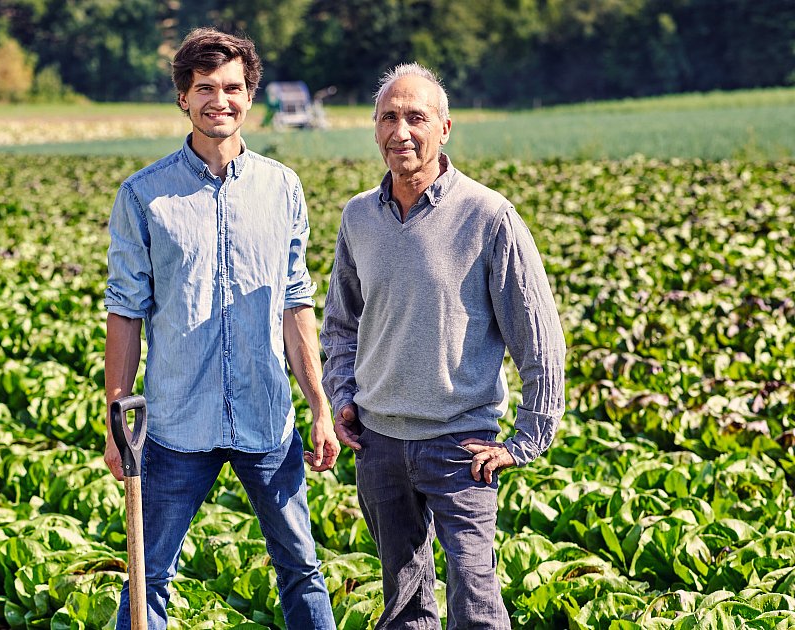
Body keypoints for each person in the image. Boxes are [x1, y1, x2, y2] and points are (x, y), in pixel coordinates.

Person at [102, 27, 339, 630]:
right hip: (176, 423)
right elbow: (125, 312)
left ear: (250, 96)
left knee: (301, 567)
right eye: (205, 87)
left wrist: (319, 406)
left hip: (266, 416)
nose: (219, 100)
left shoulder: (281, 187)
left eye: (232, 87)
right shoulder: (144, 196)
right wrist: (117, 422)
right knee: (149, 575)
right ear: (183, 97)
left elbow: (295, 302)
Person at [320, 62, 566, 629]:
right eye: (388, 118)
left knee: (476, 603)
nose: (400, 132)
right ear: (374, 128)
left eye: (416, 118)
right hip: (380, 444)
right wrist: (343, 396)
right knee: (403, 604)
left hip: (461, 445)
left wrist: (527, 439)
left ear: (445, 128)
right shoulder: (359, 216)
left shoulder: (488, 215)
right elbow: (340, 325)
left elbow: (539, 337)